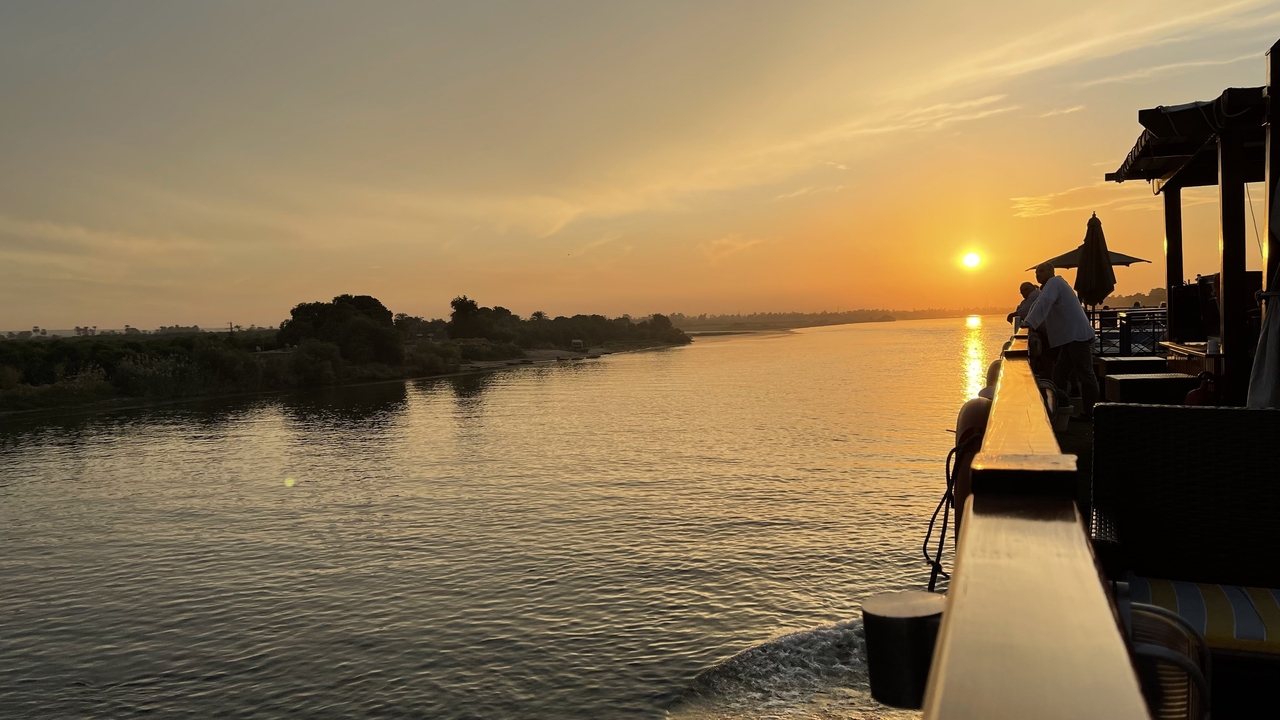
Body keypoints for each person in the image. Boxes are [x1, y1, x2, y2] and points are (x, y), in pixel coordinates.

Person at [1024, 262, 1099, 417]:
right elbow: (1039, 303)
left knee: (1085, 374)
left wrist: (1029, 323)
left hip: (1077, 337)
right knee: (1060, 374)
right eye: (1037, 272)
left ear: (1051, 272)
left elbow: (1044, 303)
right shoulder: (1050, 286)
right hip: (1069, 338)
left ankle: (1092, 412)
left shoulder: (1054, 283)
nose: (1038, 274)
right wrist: (1028, 322)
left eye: (1042, 271)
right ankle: (1058, 408)